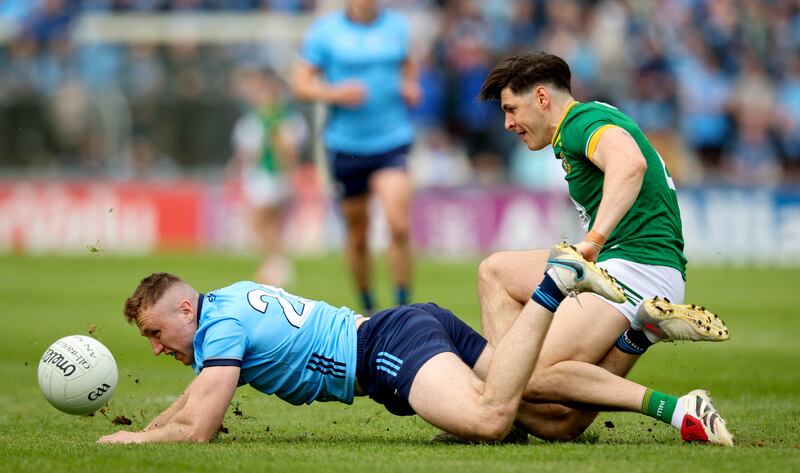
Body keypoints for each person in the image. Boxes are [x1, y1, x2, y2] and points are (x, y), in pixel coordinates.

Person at [98, 243, 652, 444]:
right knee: (554, 420)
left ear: (185, 310)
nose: (156, 348)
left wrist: (132, 444)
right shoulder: (229, 301)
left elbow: (198, 429)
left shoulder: (220, 330)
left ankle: (553, 285)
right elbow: (196, 399)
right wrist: (149, 429)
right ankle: (637, 334)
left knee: (490, 420)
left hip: (386, 348)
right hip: (408, 325)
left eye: (155, 334)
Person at [473, 51, 732, 444]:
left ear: (542, 97)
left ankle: (681, 410)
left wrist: (593, 242)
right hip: (638, 262)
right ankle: (634, 338)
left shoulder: (580, 122)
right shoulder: (583, 122)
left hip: (637, 266)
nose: (508, 123)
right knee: (495, 273)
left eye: (511, 109)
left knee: (528, 375)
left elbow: (630, 164)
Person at [291, 0, 420, 314]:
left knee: (398, 224)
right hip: (346, 144)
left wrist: (409, 85)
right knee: (358, 233)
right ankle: (369, 308)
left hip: (392, 139)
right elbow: (300, 84)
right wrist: (334, 93)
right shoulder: (326, 32)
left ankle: (404, 310)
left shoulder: (396, 27)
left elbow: (407, 66)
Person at [229, 66, 303, 286]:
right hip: (259, 175)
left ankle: (276, 263)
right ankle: (274, 263)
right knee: (267, 222)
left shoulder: (284, 120)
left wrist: (289, 170)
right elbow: (245, 153)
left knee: (262, 219)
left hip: (273, 175)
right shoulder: (254, 121)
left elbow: (290, 151)